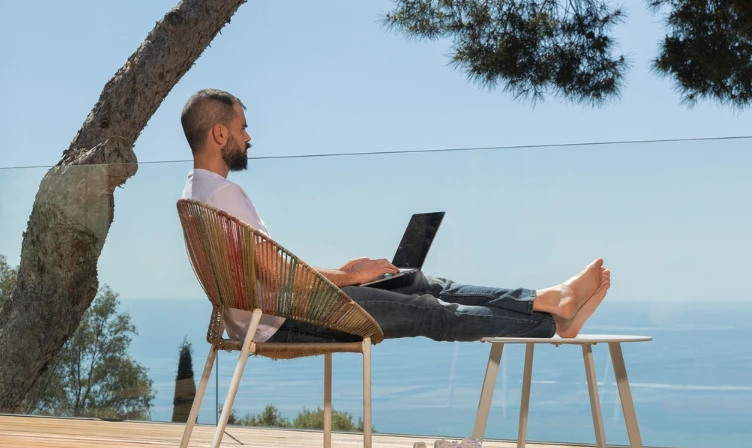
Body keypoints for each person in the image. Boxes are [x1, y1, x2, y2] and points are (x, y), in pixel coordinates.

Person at [178, 88, 611, 344]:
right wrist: (348, 278)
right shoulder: (225, 196)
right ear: (220, 133)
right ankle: (549, 319)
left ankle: (547, 301)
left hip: (268, 311)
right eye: (242, 128)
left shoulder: (197, 194)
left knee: (419, 281)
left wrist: (345, 270)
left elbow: (262, 268)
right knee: (428, 310)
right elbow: (271, 270)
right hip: (282, 318)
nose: (249, 136)